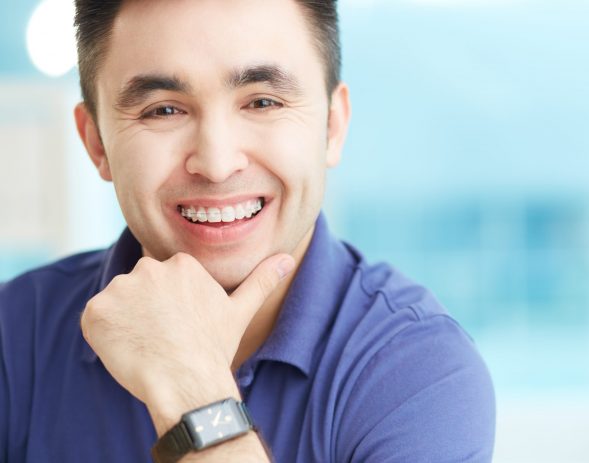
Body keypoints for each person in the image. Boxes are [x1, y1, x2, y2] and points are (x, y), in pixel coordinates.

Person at [0, 0, 495, 461]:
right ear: (96, 144)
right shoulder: (13, 335)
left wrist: (194, 387)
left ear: (332, 127)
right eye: (164, 110)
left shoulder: (420, 373)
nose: (216, 163)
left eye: (262, 102)